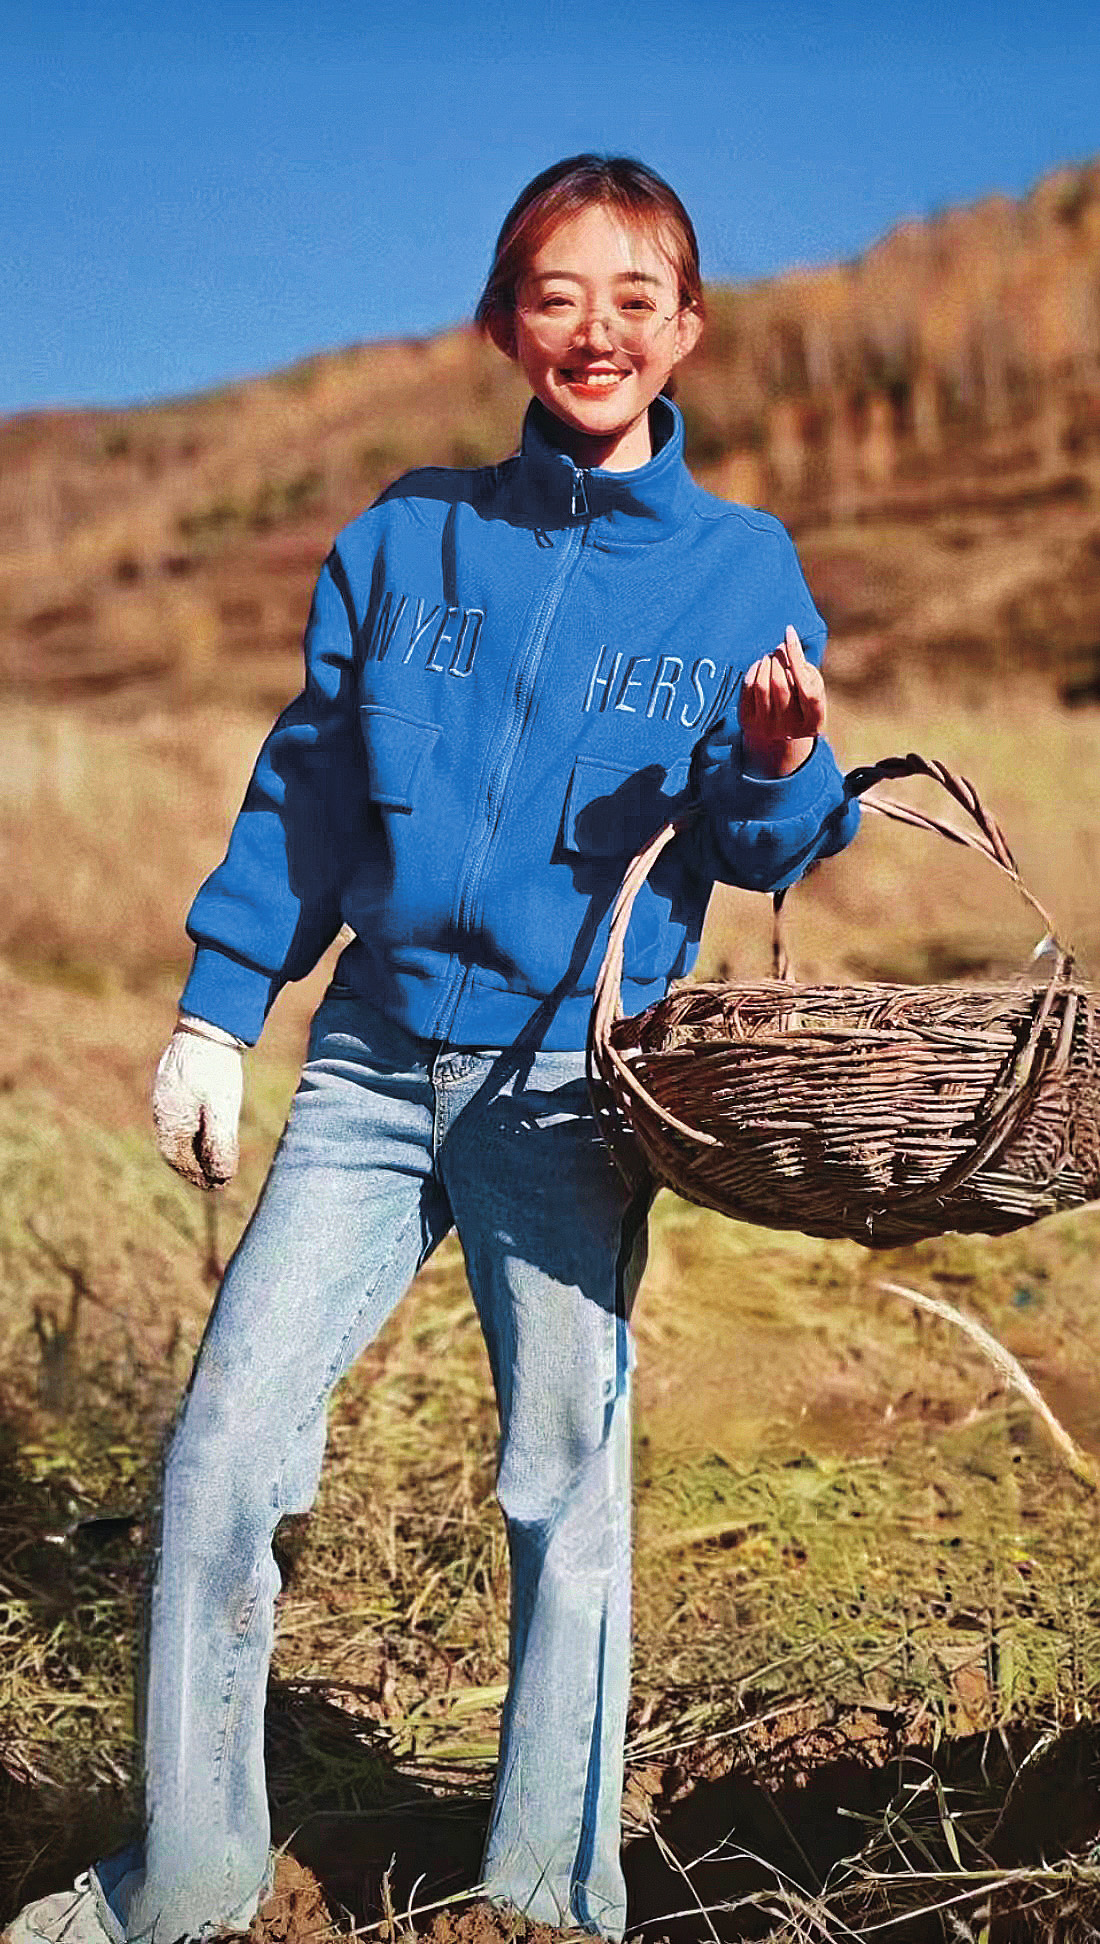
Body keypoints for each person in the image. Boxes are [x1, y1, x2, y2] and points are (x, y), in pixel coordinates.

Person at [8, 154, 859, 1944]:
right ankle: (189, 1881)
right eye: (557, 296)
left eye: (635, 300)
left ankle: (549, 1896)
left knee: (566, 1482)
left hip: (566, 1093)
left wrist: (783, 764)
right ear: (501, 324)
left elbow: (769, 843)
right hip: (371, 1073)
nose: (596, 330)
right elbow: (308, 791)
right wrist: (217, 1012)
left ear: (687, 332)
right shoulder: (404, 540)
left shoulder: (741, 570)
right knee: (224, 1452)